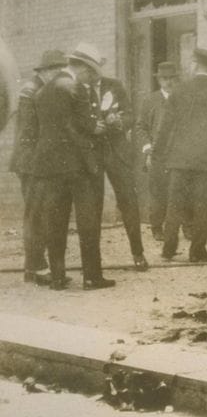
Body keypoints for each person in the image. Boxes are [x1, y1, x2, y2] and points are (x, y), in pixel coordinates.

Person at [31, 43, 115, 290]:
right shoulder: (75, 87)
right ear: (80, 68)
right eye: (90, 73)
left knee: (55, 223)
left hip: (49, 167)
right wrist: (99, 126)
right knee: (88, 223)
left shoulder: (42, 92)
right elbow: (85, 127)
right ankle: (92, 277)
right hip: (78, 166)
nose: (90, 78)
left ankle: (57, 278)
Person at [154, 48, 207, 262]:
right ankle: (197, 251)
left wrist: (158, 154)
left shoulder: (180, 90)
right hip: (206, 159)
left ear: (194, 64)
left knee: (175, 204)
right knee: (203, 205)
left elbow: (165, 126)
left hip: (179, 158)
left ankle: (168, 249)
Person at [9, 50, 67, 285]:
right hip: (31, 163)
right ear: (45, 71)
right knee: (36, 216)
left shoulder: (40, 90)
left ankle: (34, 267)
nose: (58, 75)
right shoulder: (31, 92)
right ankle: (36, 267)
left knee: (42, 214)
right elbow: (29, 133)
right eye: (55, 70)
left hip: (37, 163)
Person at [88, 49, 148, 271]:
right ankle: (94, 264)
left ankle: (138, 253)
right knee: (92, 205)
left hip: (117, 152)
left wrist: (119, 121)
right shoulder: (78, 90)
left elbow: (131, 115)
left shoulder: (114, 85)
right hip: (92, 153)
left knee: (128, 201)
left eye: (94, 68)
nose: (91, 73)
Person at [135, 61, 180, 242]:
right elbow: (140, 127)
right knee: (158, 191)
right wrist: (147, 148)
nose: (168, 82)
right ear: (159, 80)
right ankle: (156, 227)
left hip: (178, 153)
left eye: (171, 79)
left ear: (176, 80)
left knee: (181, 190)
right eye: (164, 79)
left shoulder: (182, 98)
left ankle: (186, 226)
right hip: (157, 154)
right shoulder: (150, 100)